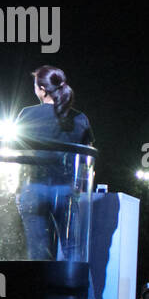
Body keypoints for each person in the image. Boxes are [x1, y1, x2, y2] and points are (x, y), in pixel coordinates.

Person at [15, 66, 94, 260]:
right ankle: (73, 289)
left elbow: (16, 152)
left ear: (42, 89)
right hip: (65, 189)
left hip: (32, 187)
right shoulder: (79, 118)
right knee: (73, 249)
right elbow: (87, 157)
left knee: (38, 250)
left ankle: (40, 289)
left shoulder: (27, 114)